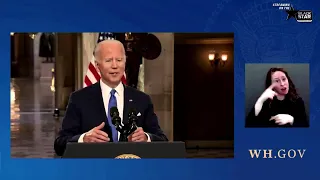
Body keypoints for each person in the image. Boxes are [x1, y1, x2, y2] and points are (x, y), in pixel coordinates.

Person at [54, 39, 168, 156]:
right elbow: (60, 144)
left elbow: (162, 140)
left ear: (125, 62)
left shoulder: (142, 99)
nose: (115, 66)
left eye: (119, 60)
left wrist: (146, 137)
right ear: (97, 66)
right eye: (108, 60)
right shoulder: (79, 99)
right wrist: (84, 139)